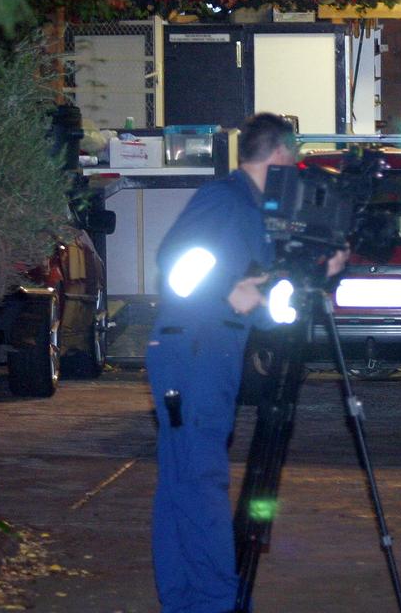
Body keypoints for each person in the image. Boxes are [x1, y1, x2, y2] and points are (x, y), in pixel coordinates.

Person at [147, 113, 345, 613]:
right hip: (192, 352)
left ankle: (187, 602)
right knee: (200, 482)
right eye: (295, 158)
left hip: (206, 352)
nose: (298, 168)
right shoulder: (227, 201)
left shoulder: (258, 213)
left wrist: (320, 274)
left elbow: (264, 305)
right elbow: (174, 263)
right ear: (280, 154)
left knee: (182, 485)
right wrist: (224, 293)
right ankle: (216, 603)